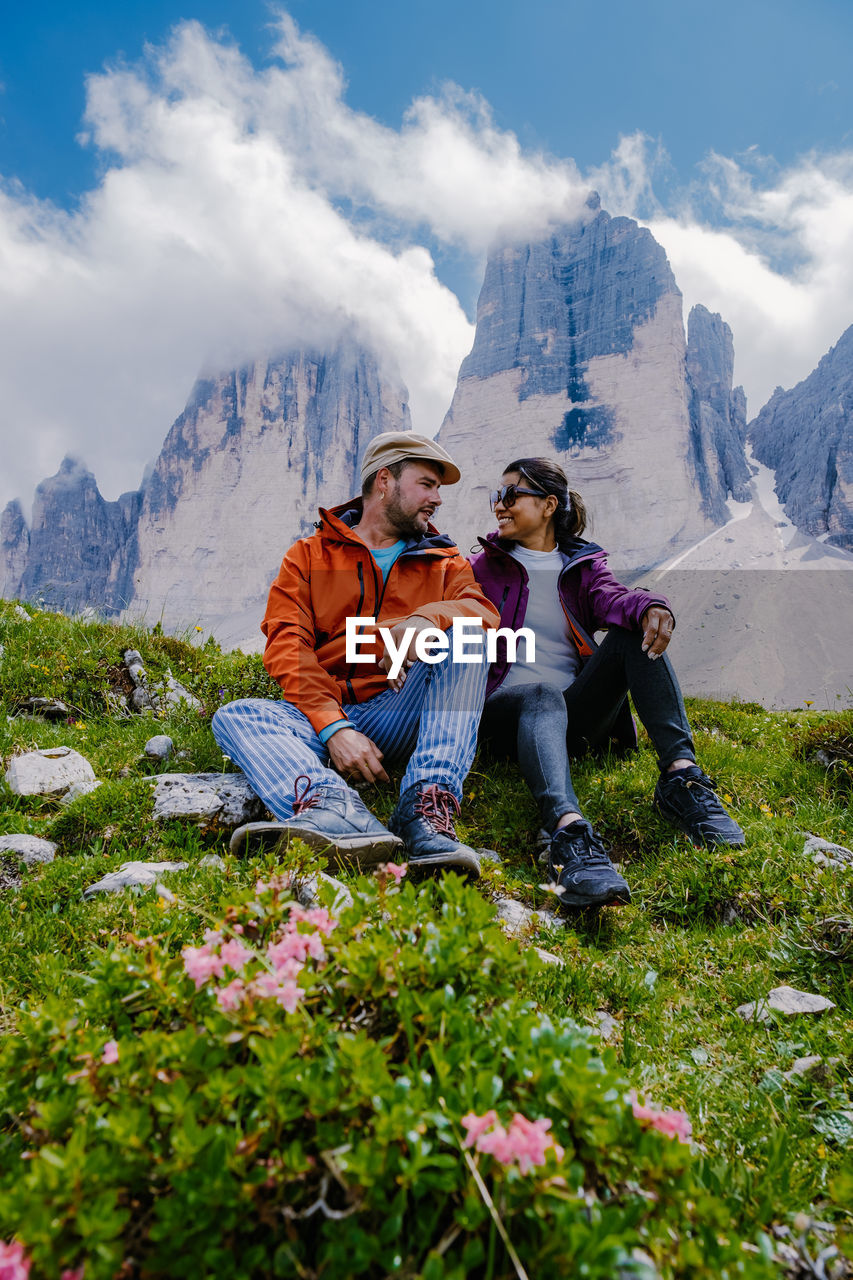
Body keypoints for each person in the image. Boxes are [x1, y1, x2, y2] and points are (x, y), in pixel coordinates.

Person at [213, 432, 500, 877]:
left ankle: (425, 809)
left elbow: (482, 612)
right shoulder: (307, 557)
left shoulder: (445, 561)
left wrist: (423, 621)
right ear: (385, 481)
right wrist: (334, 728)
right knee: (237, 716)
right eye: (427, 484)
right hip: (321, 715)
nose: (437, 499)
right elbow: (287, 646)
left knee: (468, 636)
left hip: (397, 709)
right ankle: (336, 809)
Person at [469, 456, 745, 909]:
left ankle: (683, 780)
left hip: (573, 718)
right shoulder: (481, 568)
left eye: (511, 494)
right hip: (504, 718)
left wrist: (651, 605)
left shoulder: (580, 565)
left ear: (547, 505)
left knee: (633, 631)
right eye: (496, 496)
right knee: (539, 694)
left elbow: (613, 599)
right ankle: (567, 832)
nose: (499, 505)